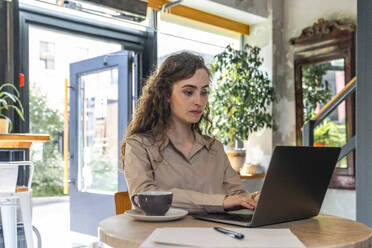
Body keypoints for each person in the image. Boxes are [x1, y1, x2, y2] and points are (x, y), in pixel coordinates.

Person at [121, 51, 259, 214]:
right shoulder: (138, 146)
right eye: (188, 92)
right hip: (159, 236)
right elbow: (143, 197)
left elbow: (238, 196)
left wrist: (255, 198)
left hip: (212, 236)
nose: (199, 101)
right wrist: (219, 201)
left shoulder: (214, 148)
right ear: (166, 94)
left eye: (204, 92)